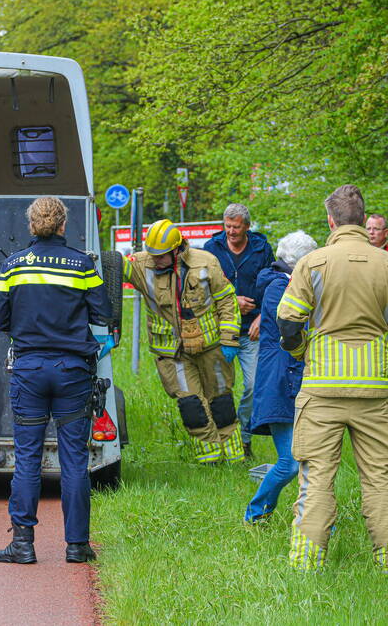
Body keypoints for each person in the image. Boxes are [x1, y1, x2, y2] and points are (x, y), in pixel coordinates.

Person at [278, 185, 388, 572]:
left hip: (322, 390)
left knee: (316, 480)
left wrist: (302, 352)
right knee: (380, 479)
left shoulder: (312, 263)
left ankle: (306, 565)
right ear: (363, 220)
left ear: (331, 220)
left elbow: (288, 322)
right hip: (375, 392)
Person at [0, 196, 112, 564]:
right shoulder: (81, 265)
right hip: (72, 371)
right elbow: (103, 313)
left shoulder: (12, 265)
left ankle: (23, 545)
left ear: (31, 225)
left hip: (29, 370)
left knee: (27, 458)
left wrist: (28, 327)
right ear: (62, 225)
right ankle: (77, 546)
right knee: (74, 459)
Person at [123, 218, 244, 464]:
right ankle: (210, 460)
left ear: (177, 250)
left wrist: (229, 340)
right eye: (153, 254)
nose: (155, 260)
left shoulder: (206, 262)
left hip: (212, 348)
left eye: (161, 256)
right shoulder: (142, 264)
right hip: (172, 352)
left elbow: (227, 301)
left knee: (221, 402)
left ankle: (235, 457)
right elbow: (112, 265)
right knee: (191, 406)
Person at [243, 230, 318, 523]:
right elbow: (292, 323)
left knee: (309, 462)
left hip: (294, 381)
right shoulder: (277, 287)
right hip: (278, 384)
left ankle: (316, 519)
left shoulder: (288, 284)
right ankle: (255, 514)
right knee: (288, 463)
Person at [204, 203, 274, 458]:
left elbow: (274, 285)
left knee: (254, 386)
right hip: (221, 330)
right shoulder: (212, 248)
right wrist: (234, 301)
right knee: (219, 390)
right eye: (228, 226)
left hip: (252, 331)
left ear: (247, 226)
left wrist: (263, 319)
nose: (231, 231)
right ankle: (221, 441)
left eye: (236, 227)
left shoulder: (262, 249)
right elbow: (202, 289)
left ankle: (244, 438)